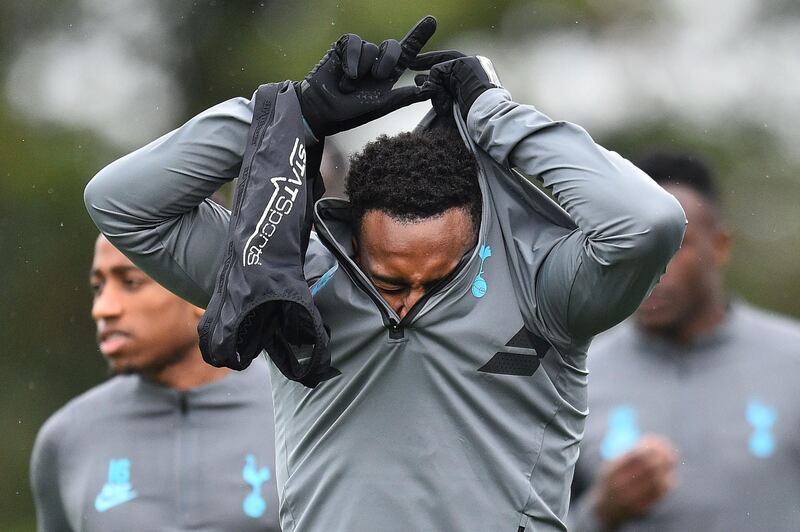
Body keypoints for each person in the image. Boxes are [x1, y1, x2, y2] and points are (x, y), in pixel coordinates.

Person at [83, 17, 686, 532]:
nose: (408, 305)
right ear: (350, 232)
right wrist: (293, 113)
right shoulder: (283, 280)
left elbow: (649, 223)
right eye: (392, 282)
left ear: (474, 237)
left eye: (437, 280)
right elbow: (121, 203)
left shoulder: (543, 290)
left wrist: (495, 116)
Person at [568, 152, 800, 531]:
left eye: (673, 245)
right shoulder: (574, 377)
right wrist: (601, 512)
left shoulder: (793, 361)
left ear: (721, 245)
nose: (650, 269)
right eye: (631, 244)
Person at [30, 235, 281, 531]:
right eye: (99, 287)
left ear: (204, 287)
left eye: (131, 282)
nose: (103, 308)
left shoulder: (294, 415)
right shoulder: (66, 438)